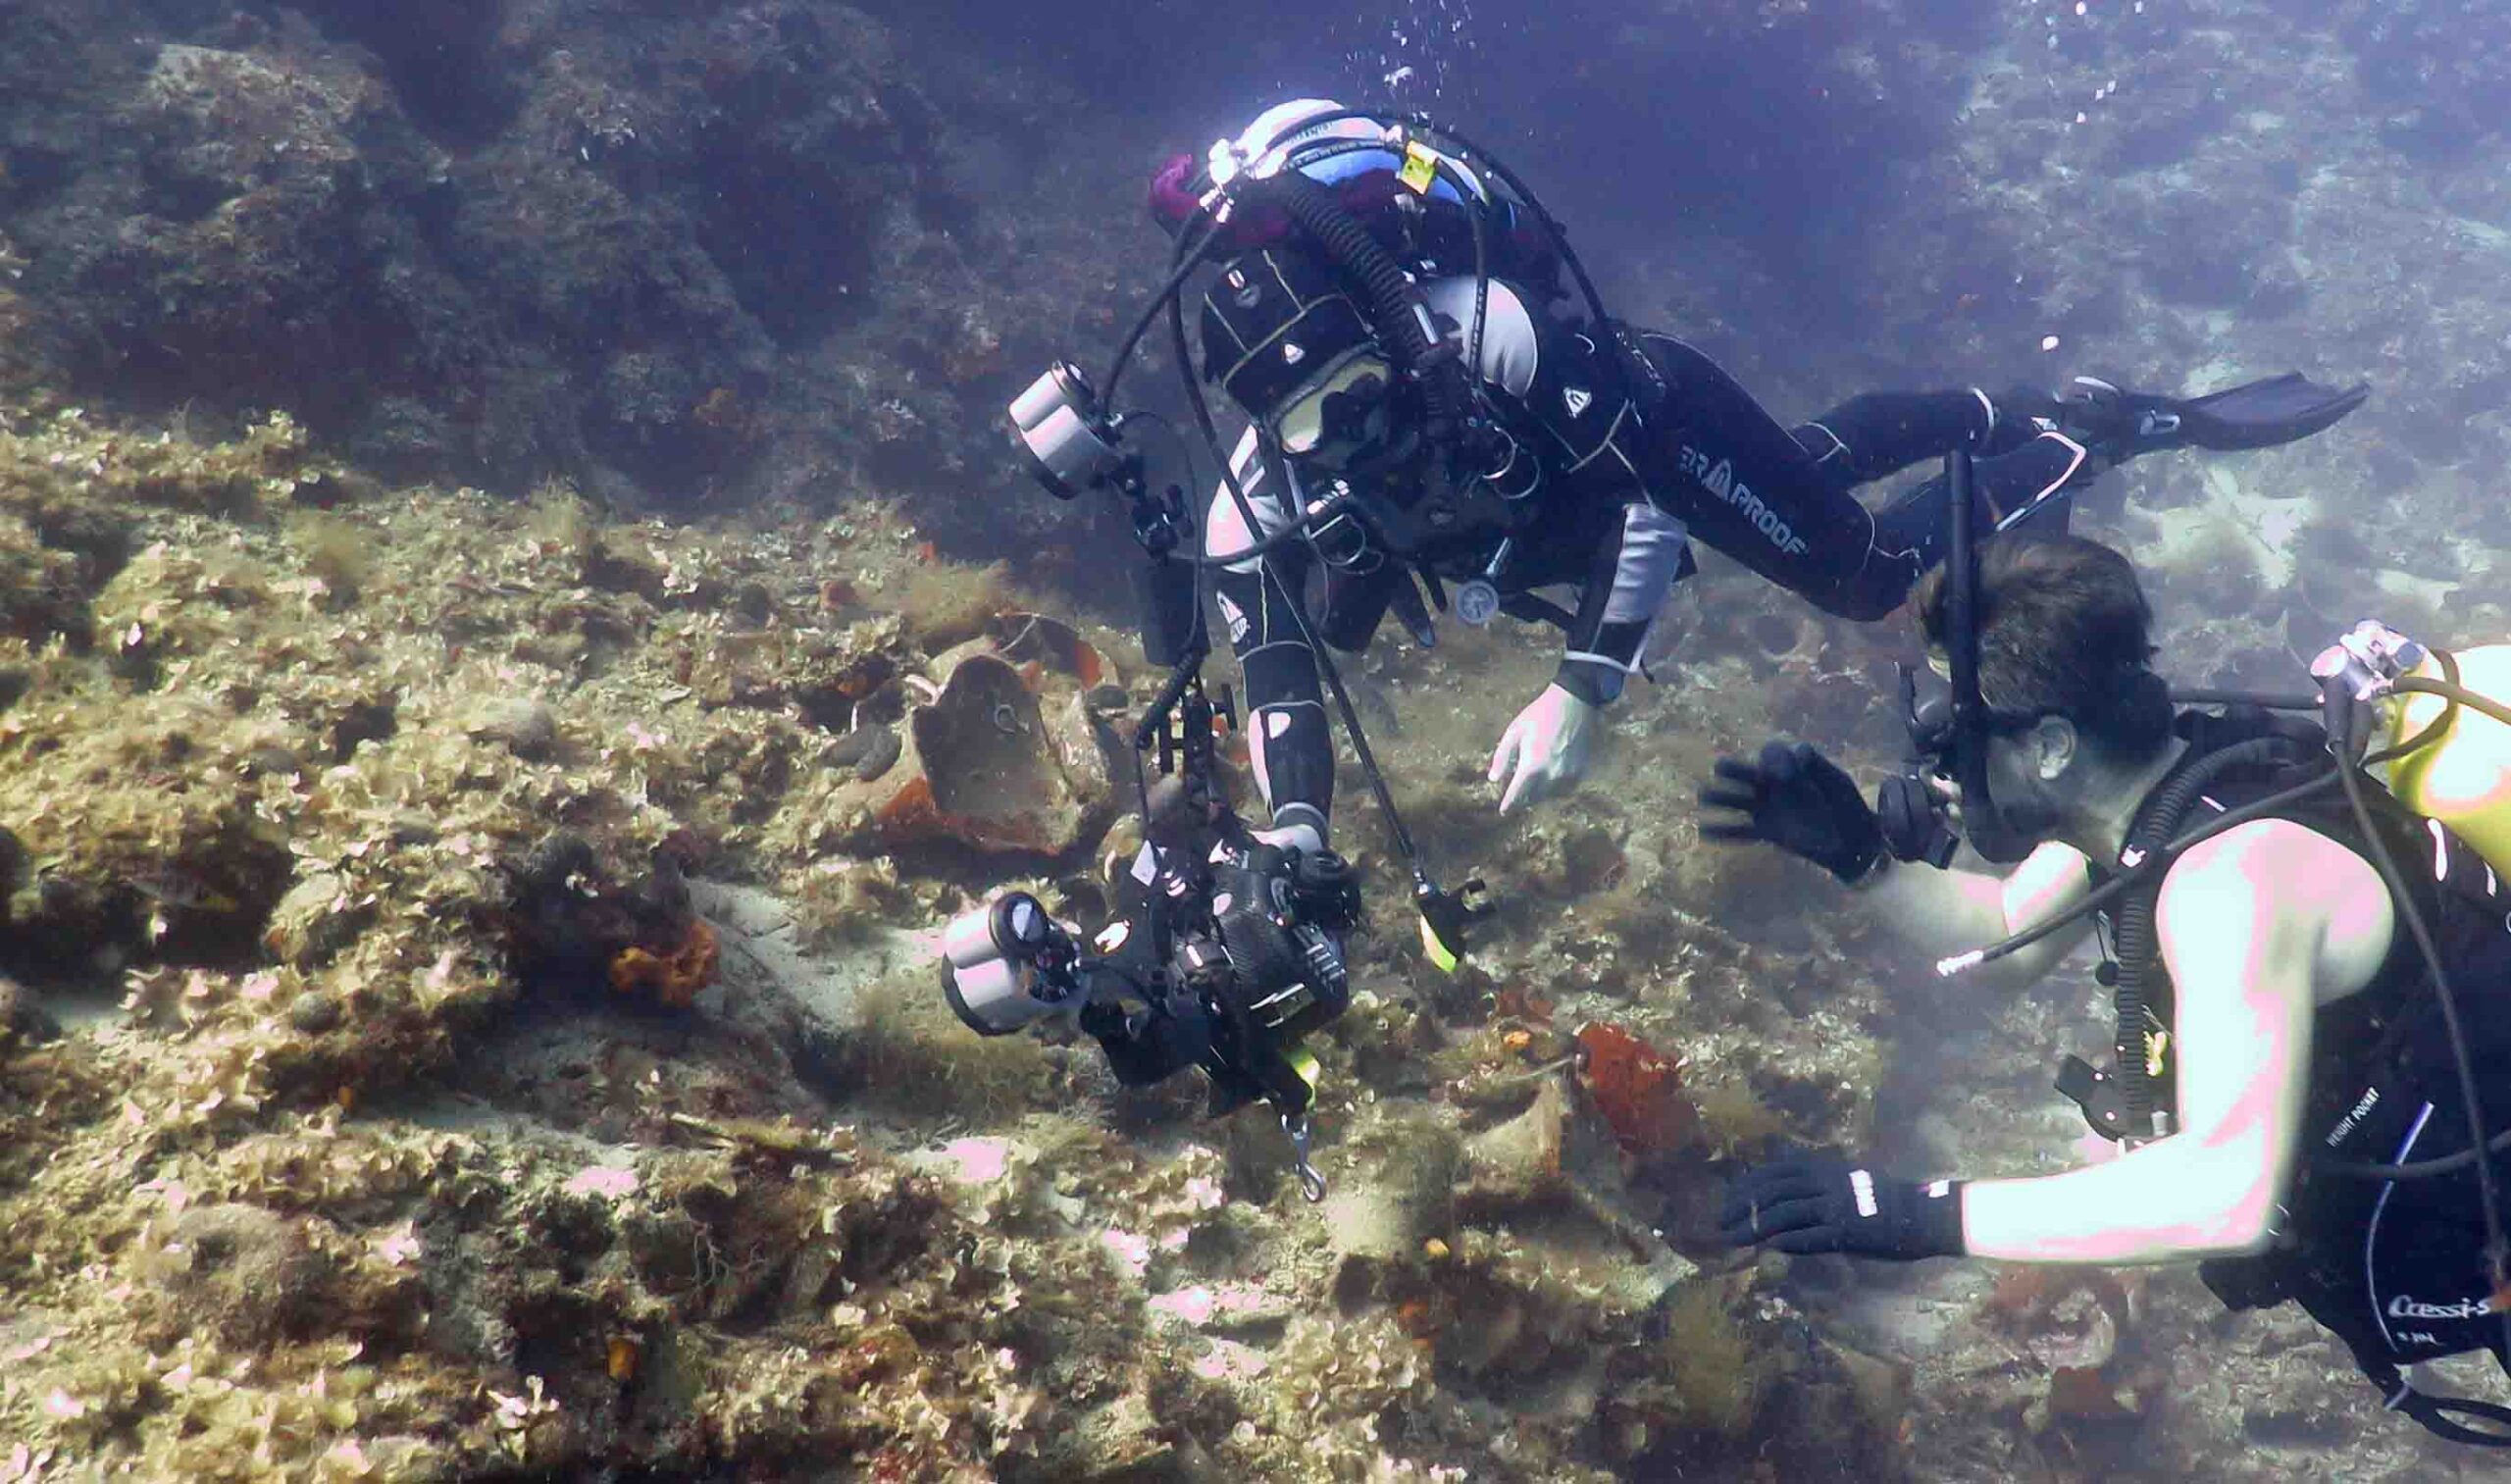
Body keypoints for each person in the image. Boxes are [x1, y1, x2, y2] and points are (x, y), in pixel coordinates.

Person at [1160, 99, 2368, 850]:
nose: (1345, 439)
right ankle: (2019, 409)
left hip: (1649, 432)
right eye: (1309, 426)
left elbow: (1645, 519)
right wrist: (1298, 831)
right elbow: (1274, 671)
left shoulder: (1482, 340)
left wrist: (1581, 689)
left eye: (1361, 399)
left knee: (1866, 574)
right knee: (1803, 476)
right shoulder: (1255, 494)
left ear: (1389, 347)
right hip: (1579, 515)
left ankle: (2091, 433)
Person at [1700, 533, 2511, 1446]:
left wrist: (1911, 1215)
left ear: (2051, 744)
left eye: (1954, 731)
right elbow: (2007, 932)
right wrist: (1864, 864)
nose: (1938, 762)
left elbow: (2226, 1193)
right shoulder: (2173, 789)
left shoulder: (2228, 883)